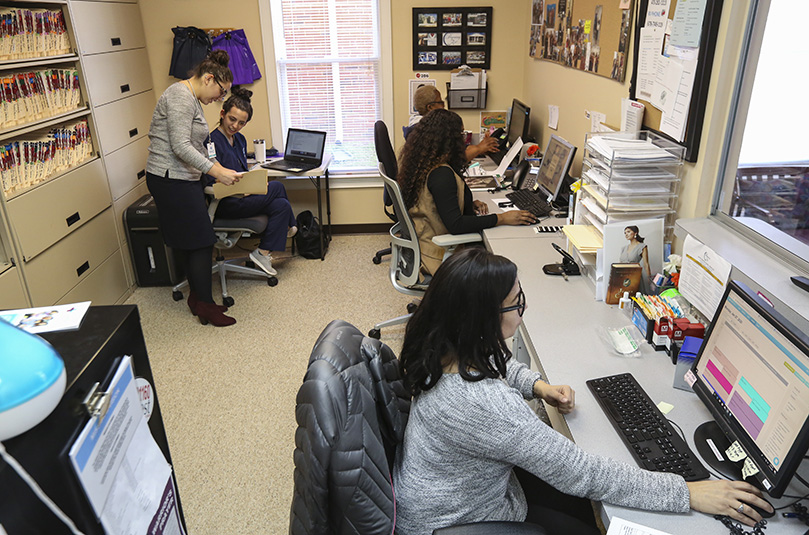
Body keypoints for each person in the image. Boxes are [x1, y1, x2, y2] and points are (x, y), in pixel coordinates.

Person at [393, 247, 774, 535]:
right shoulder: (483, 405)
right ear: (480, 319)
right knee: (592, 519)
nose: (522, 312)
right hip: (454, 523)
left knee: (576, 507)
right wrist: (689, 492)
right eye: (516, 303)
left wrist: (537, 386)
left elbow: (496, 365)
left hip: (455, 494)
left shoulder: (443, 346)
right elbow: (581, 471)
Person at [145, 50, 242, 327]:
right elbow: (180, 146)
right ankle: (206, 305)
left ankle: (197, 299)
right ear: (209, 78)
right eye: (221, 92)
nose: (219, 99)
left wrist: (217, 165)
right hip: (170, 179)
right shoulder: (179, 96)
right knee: (201, 241)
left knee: (193, 242)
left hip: (184, 178)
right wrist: (216, 171)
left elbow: (198, 144)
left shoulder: (193, 99)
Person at [397, 109, 536, 275]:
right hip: (438, 256)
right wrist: (502, 218)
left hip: (425, 244)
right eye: (460, 134)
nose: (463, 140)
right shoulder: (441, 174)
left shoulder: (423, 163)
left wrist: (465, 202)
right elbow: (456, 225)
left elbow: (434, 202)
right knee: (508, 259)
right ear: (450, 140)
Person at [204, 86, 297, 277]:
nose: (235, 126)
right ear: (222, 114)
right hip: (226, 202)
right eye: (232, 119)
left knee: (281, 205)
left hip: (243, 197)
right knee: (278, 186)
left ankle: (262, 253)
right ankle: (291, 226)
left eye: (241, 123)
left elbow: (242, 171)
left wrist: (249, 182)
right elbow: (210, 178)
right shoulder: (211, 142)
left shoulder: (239, 140)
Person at [406, 84, 499, 160]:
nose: (444, 107)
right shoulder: (428, 133)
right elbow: (454, 159)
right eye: (440, 102)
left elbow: (457, 150)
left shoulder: (417, 129)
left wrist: (481, 148)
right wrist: (479, 148)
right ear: (430, 107)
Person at [619, 225, 652, 294]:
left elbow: (646, 264)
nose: (626, 234)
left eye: (628, 232)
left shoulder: (642, 247)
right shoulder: (624, 248)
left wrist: (649, 278)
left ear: (635, 233)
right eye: (625, 233)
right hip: (623, 277)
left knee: (636, 298)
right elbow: (620, 264)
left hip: (635, 276)